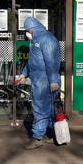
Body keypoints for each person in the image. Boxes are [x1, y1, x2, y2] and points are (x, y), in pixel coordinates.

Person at [19, 16, 61, 149]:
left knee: (40, 108)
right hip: (40, 79)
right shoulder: (36, 40)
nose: (27, 33)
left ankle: (37, 138)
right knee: (49, 108)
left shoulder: (46, 39)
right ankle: (53, 134)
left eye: (27, 31)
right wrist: (24, 73)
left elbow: (52, 62)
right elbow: (33, 61)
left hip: (45, 80)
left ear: (32, 30)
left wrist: (53, 80)